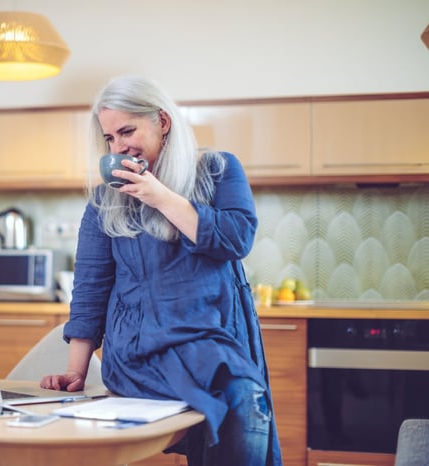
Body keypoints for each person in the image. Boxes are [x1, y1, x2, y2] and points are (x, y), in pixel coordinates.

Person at [40, 75, 282, 466]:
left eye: (126, 131)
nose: (119, 147)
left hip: (210, 344)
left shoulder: (218, 169)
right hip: (139, 352)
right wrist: (75, 372)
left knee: (245, 399)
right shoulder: (105, 200)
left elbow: (236, 239)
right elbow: (90, 289)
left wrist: (162, 197)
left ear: (162, 122)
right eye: (110, 139)